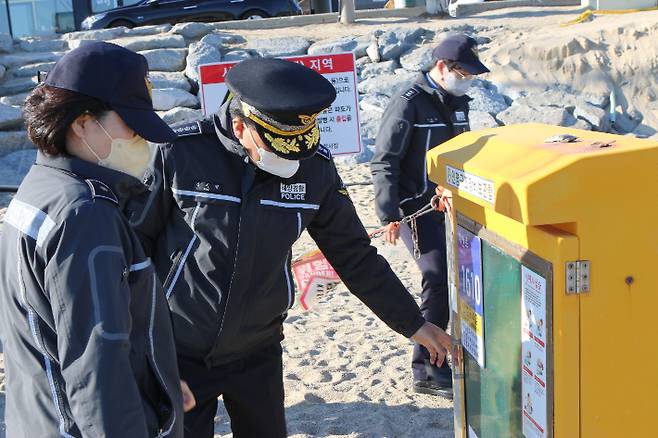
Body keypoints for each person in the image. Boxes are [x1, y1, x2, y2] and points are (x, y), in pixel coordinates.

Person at [135, 57, 453, 438]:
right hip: (178, 349)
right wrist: (141, 353)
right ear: (240, 127)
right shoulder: (178, 153)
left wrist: (413, 323)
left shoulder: (314, 167)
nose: (291, 162)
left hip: (258, 350)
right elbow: (133, 251)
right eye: (281, 152)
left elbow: (353, 255)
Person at [0, 42, 192, 438]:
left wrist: (159, 383)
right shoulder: (85, 215)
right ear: (83, 123)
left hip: (36, 418)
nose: (142, 140)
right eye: (132, 126)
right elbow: (96, 364)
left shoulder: (38, 189)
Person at [371, 33, 490, 398]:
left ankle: (447, 356)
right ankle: (427, 366)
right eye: (463, 73)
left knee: (460, 279)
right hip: (415, 209)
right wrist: (388, 213)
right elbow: (384, 160)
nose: (467, 79)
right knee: (436, 278)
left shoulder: (458, 103)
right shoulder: (408, 102)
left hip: (451, 209)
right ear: (441, 67)